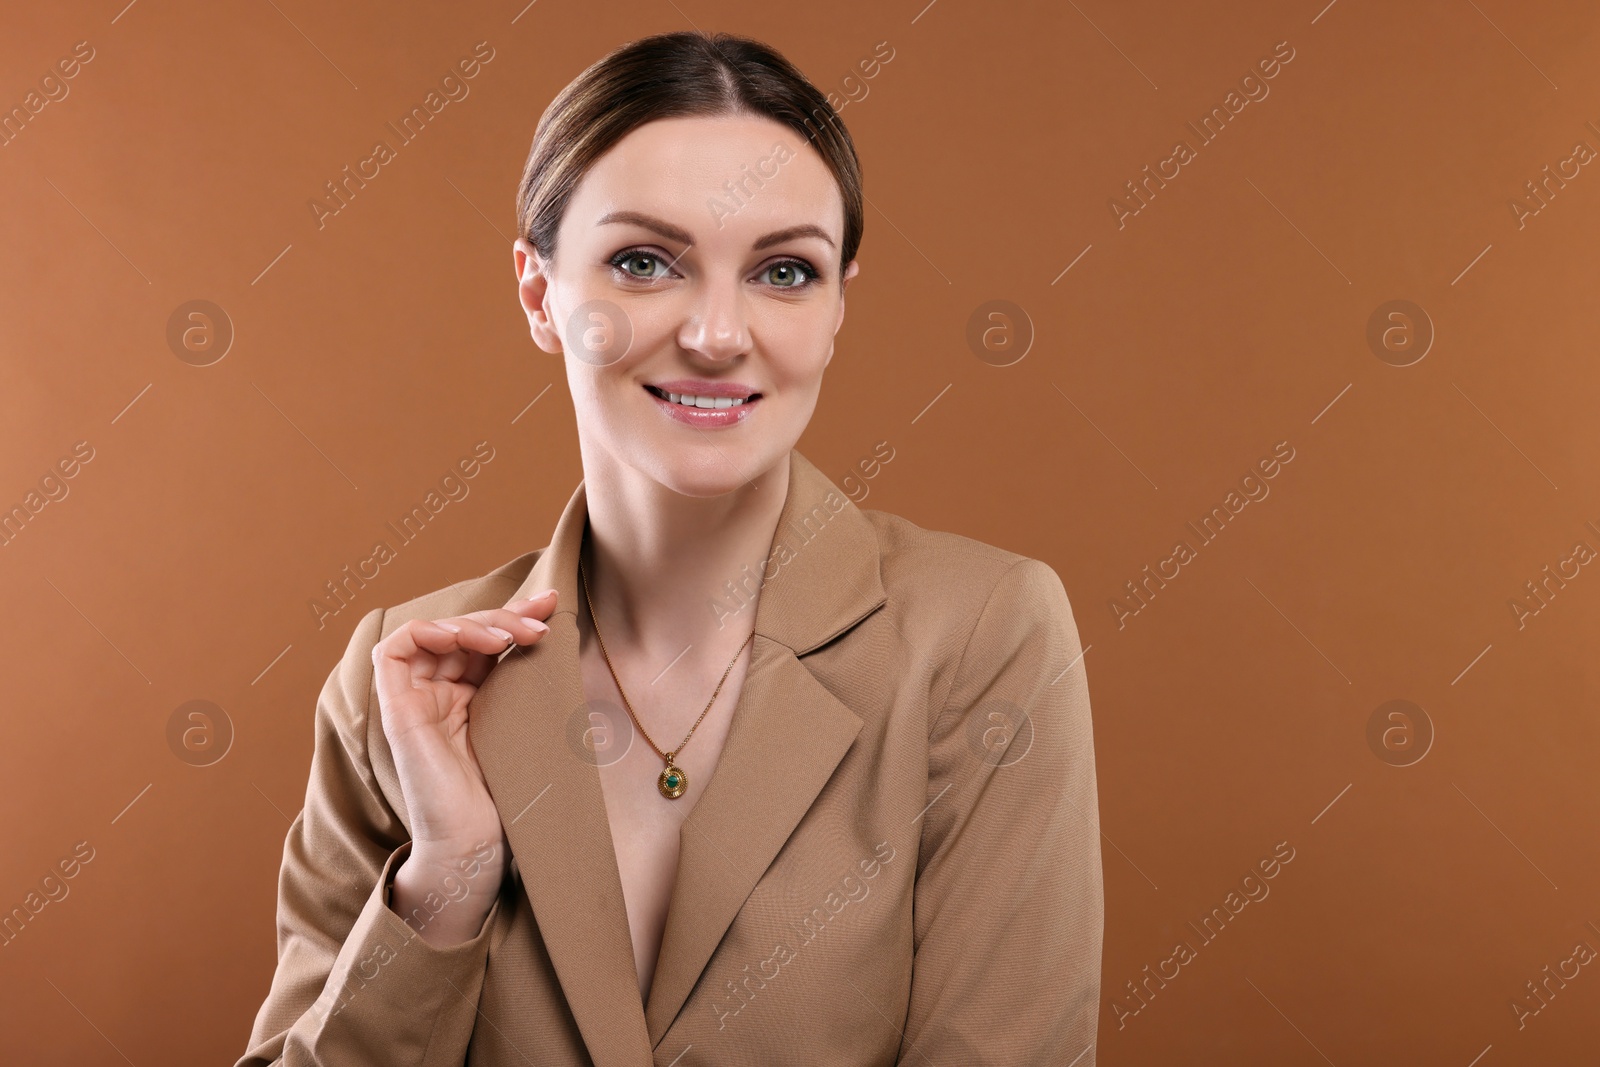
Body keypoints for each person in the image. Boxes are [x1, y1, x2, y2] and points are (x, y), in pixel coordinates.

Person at [237, 28, 1102, 1066]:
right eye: (644, 262)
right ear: (537, 293)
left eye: (784, 271)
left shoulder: (982, 631)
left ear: (835, 308)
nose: (717, 333)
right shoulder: (403, 676)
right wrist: (446, 880)